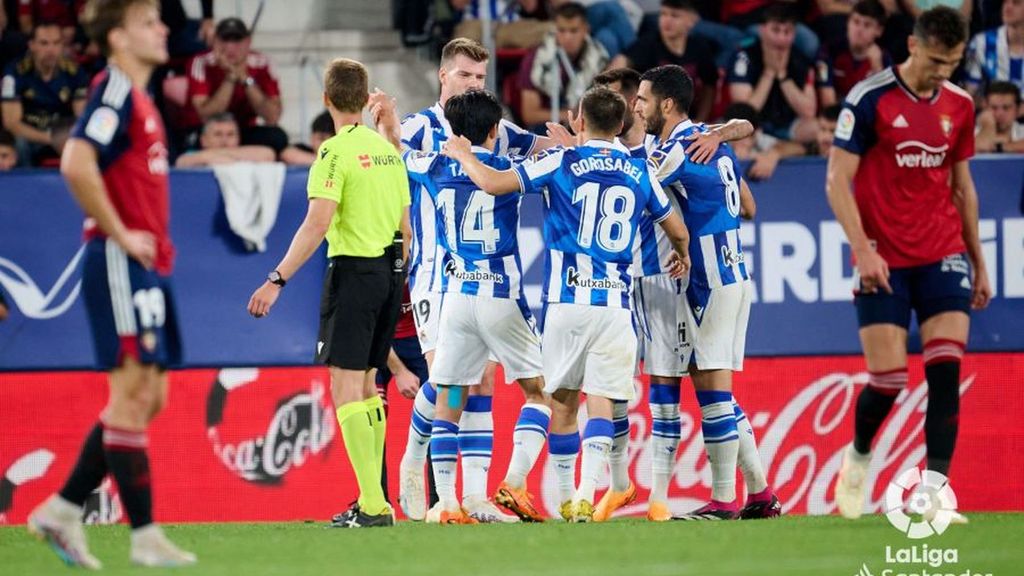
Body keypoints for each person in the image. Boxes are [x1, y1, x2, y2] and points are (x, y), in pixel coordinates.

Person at [444, 85, 692, 522]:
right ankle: (584, 492)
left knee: (561, 402)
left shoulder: (560, 160)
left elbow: (494, 182)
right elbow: (676, 228)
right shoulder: (638, 171)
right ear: (619, 126)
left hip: (564, 303)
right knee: (602, 400)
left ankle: (563, 504)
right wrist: (682, 252)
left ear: (579, 121)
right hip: (615, 306)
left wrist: (464, 155)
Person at [27, 0, 196, 568]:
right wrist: (121, 234)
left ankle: (61, 508)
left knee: (152, 397)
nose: (164, 28)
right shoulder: (116, 89)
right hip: (122, 261)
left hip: (149, 266)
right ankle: (145, 537)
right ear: (120, 37)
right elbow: (76, 161)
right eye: (150, 21)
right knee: (132, 395)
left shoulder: (141, 97)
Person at [828, 6, 992, 523]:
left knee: (945, 371)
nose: (945, 71)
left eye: (954, 62)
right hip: (884, 259)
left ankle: (936, 497)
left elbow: (963, 189)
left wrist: (979, 262)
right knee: (889, 381)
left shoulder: (961, 106)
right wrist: (863, 249)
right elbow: (836, 181)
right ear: (914, 46)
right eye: (938, 60)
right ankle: (857, 457)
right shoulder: (870, 97)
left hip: (943, 252)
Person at [395, 37, 553, 524]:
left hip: (466, 280)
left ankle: (475, 497)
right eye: (465, 75)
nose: (473, 83)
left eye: (481, 77)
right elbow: (389, 159)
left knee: (478, 382)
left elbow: (543, 145)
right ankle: (413, 459)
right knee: (450, 382)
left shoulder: (494, 127)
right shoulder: (419, 127)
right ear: (444, 76)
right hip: (433, 275)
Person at [247, 58, 409, 529]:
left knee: (345, 389)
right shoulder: (388, 153)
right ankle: (373, 500)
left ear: (326, 100)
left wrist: (276, 279)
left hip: (354, 273)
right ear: (363, 99)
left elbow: (318, 223)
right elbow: (407, 228)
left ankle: (374, 504)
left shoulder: (333, 153)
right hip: (390, 272)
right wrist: (395, 277)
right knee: (366, 387)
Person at [635, 64, 777, 520]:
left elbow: (634, 181)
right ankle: (758, 493)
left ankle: (724, 500)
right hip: (734, 272)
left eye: (644, 99)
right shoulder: (709, 140)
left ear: (667, 104)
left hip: (710, 279)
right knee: (715, 385)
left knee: (714, 390)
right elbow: (750, 207)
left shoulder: (678, 149)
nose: (638, 107)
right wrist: (731, 131)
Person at [186, 17, 286, 153]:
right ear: (214, 41)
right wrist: (230, 78)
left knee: (277, 137)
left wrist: (245, 78)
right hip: (212, 132)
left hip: (245, 130)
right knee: (197, 138)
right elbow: (207, 115)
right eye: (225, 40)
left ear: (248, 42)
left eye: (237, 40)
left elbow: (272, 116)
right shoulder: (200, 62)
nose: (230, 47)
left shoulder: (263, 62)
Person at [610, 0, 718, 122]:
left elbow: (710, 85)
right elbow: (621, 62)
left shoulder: (699, 48)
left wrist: (700, 120)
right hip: (649, 121)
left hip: (684, 119)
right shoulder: (648, 44)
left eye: (674, 15)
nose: (667, 21)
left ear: (691, 21)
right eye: (663, 14)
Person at [727, 3, 818, 144]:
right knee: (736, 128)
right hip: (753, 128)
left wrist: (782, 76)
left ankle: (782, 150)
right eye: (775, 30)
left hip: (788, 127)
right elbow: (743, 113)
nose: (781, 38)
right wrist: (768, 73)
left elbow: (808, 112)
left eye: (787, 32)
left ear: (794, 34)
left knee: (815, 129)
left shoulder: (801, 60)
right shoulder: (744, 56)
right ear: (762, 30)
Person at [1, 21, 88, 166]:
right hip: (29, 133)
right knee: (19, 145)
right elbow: (12, 123)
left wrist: (68, 136)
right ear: (32, 45)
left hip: (63, 132)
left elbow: (82, 116)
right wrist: (49, 138)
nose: (51, 49)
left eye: (56, 43)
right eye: (44, 43)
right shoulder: (14, 73)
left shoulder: (76, 73)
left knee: (85, 142)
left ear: (62, 45)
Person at [517, 2, 609, 130]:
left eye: (573, 30)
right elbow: (529, 114)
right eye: (561, 30)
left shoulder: (599, 57)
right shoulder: (537, 59)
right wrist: (568, 115)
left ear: (585, 30)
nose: (567, 37)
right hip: (547, 129)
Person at [816, 0, 891, 107]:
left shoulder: (884, 59)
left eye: (867, 25)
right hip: (836, 117)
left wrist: (877, 68)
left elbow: (885, 105)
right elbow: (828, 103)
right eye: (855, 22)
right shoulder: (828, 51)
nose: (859, 30)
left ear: (878, 31)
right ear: (848, 23)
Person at [965, 0, 1024, 102]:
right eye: (1005, 2)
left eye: (1016, 3)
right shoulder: (982, 42)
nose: (1007, 7)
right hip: (993, 112)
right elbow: (970, 93)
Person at [174, 112, 275, 167]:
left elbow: (268, 154)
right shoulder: (191, 155)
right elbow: (181, 162)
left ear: (238, 139)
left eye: (230, 134)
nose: (224, 139)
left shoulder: (249, 151)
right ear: (203, 140)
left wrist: (216, 155)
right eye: (218, 134)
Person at [976, 81, 1024, 152]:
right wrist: (988, 126)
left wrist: (999, 146)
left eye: (1006, 107)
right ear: (985, 107)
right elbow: (975, 148)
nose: (999, 113)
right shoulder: (970, 132)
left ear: (1018, 109)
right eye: (994, 107)